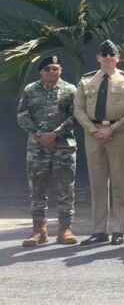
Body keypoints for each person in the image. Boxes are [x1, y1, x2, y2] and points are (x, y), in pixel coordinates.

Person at [73, 39, 124, 246]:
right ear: (98, 58)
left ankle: (119, 229)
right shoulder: (87, 81)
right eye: (104, 55)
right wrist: (94, 130)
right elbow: (78, 109)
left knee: (120, 183)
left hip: (119, 133)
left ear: (118, 57)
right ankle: (99, 230)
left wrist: (112, 128)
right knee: (98, 183)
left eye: (112, 54)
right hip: (93, 134)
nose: (108, 58)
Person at [17, 55, 78, 247]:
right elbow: (22, 115)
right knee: (37, 189)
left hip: (63, 147)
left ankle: (65, 229)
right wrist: (40, 134)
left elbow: (76, 116)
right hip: (38, 148)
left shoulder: (70, 90)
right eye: (48, 69)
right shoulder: (30, 90)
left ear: (61, 70)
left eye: (55, 68)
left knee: (66, 189)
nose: (52, 71)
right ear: (41, 72)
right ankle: (39, 230)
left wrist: (55, 134)